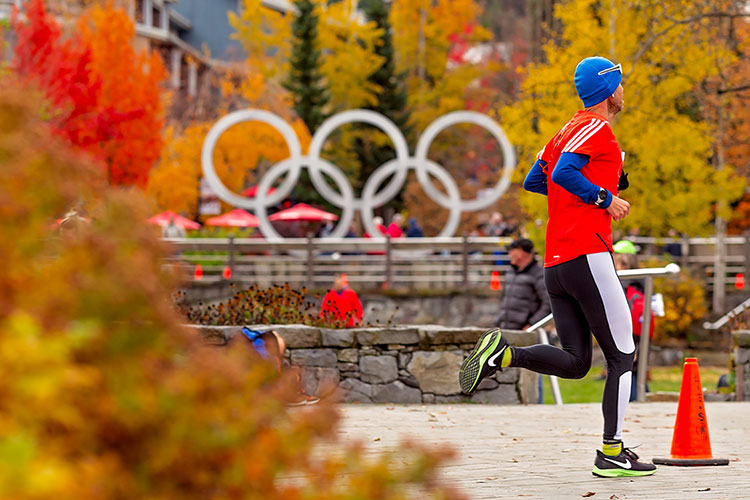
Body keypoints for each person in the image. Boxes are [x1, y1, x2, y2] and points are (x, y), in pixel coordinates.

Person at [459, 56, 656, 477]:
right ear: (608, 90)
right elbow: (566, 171)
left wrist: (601, 180)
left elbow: (537, 180)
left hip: (556, 263)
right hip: (589, 254)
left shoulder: (568, 129)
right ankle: (612, 451)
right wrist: (604, 198)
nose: (624, 90)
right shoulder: (598, 128)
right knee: (622, 355)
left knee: (576, 361)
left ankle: (504, 355)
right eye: (619, 83)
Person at [612, 240, 655, 402]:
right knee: (637, 369)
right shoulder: (643, 281)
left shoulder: (623, 282)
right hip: (641, 330)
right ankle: (643, 398)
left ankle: (633, 402)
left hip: (628, 330)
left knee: (626, 369)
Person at [494, 238, 550, 330]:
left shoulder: (538, 274)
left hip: (524, 331)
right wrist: (498, 322)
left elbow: (547, 303)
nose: (509, 254)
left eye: (512, 250)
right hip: (505, 329)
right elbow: (504, 300)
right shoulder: (510, 272)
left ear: (521, 251)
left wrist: (532, 324)